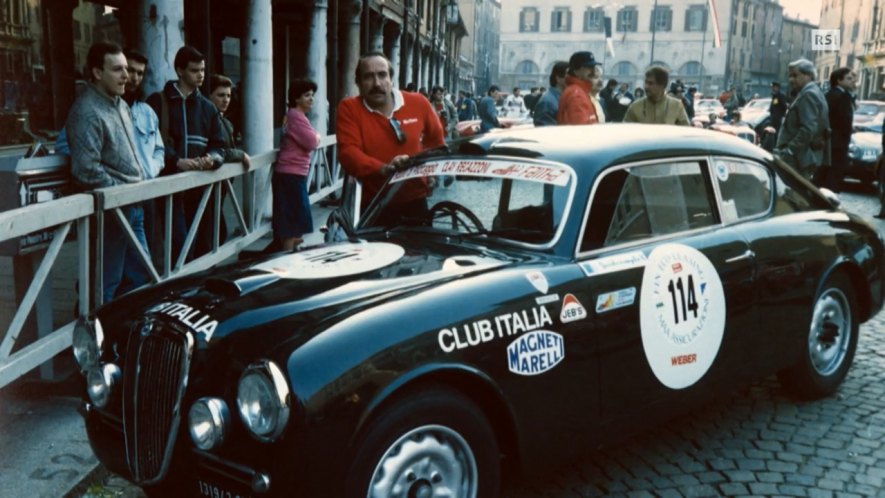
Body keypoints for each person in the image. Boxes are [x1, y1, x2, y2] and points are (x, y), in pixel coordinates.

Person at [65, 42, 149, 302]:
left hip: (132, 206)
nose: (126, 75)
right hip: (111, 211)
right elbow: (86, 170)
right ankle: (90, 339)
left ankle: (123, 334)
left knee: (141, 277)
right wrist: (119, 192)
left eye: (126, 68)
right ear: (97, 72)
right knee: (103, 286)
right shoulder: (86, 111)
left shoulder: (121, 104)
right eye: (117, 69)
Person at [336, 52, 445, 222]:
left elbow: (436, 141)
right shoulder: (350, 108)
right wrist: (384, 169)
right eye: (368, 77)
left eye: (382, 75)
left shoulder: (418, 102)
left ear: (391, 79)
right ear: (358, 83)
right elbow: (348, 153)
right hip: (373, 205)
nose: (377, 83)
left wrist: (431, 171)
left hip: (415, 201)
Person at [147, 45, 227, 263]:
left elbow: (220, 145)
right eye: (194, 70)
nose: (200, 75)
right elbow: (150, 144)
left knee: (203, 248)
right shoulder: (157, 102)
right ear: (180, 70)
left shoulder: (208, 108)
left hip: (200, 190)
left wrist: (212, 159)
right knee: (177, 250)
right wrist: (176, 161)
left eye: (202, 70)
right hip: (167, 188)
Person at [122, 48, 165, 267]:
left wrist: (150, 170)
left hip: (146, 193)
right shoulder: (106, 109)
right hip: (118, 196)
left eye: (140, 73)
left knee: (146, 260)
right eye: (130, 70)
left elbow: (159, 150)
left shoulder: (147, 111)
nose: (135, 78)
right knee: (113, 262)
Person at [275, 79, 321, 251]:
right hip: (290, 174)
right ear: (296, 98)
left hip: (293, 174)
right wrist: (317, 136)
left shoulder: (297, 116)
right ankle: (287, 254)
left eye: (312, 95)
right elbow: (311, 141)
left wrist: (314, 135)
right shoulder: (295, 116)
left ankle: (292, 246)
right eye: (307, 95)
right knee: (290, 220)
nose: (311, 99)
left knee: (295, 216)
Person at [773, 59, 830, 181]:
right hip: (801, 156)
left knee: (794, 193)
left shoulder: (808, 94)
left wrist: (790, 150)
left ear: (808, 75)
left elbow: (808, 128)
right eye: (789, 76)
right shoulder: (812, 92)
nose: (791, 80)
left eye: (795, 75)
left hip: (799, 158)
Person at [822, 67, 856, 192]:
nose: (853, 81)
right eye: (849, 78)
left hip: (829, 139)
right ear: (839, 80)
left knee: (826, 173)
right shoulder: (842, 96)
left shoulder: (829, 94)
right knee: (834, 175)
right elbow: (844, 121)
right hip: (839, 143)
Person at [207, 74, 251, 168]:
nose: (226, 100)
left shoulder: (227, 123)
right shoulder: (205, 119)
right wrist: (240, 155)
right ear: (209, 95)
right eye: (221, 95)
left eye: (228, 96)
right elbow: (216, 152)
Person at [623, 66, 690, 126]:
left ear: (662, 85)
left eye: (650, 83)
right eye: (645, 82)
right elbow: (625, 132)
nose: (646, 87)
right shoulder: (635, 106)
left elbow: (685, 132)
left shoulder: (676, 106)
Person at [557, 51, 602, 125]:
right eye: (589, 67)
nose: (593, 71)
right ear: (576, 70)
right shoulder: (576, 95)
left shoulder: (579, 91)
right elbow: (580, 132)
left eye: (593, 67)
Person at [533, 61, 568, 127]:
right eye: (569, 76)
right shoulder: (547, 102)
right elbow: (547, 133)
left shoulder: (560, 98)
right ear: (558, 78)